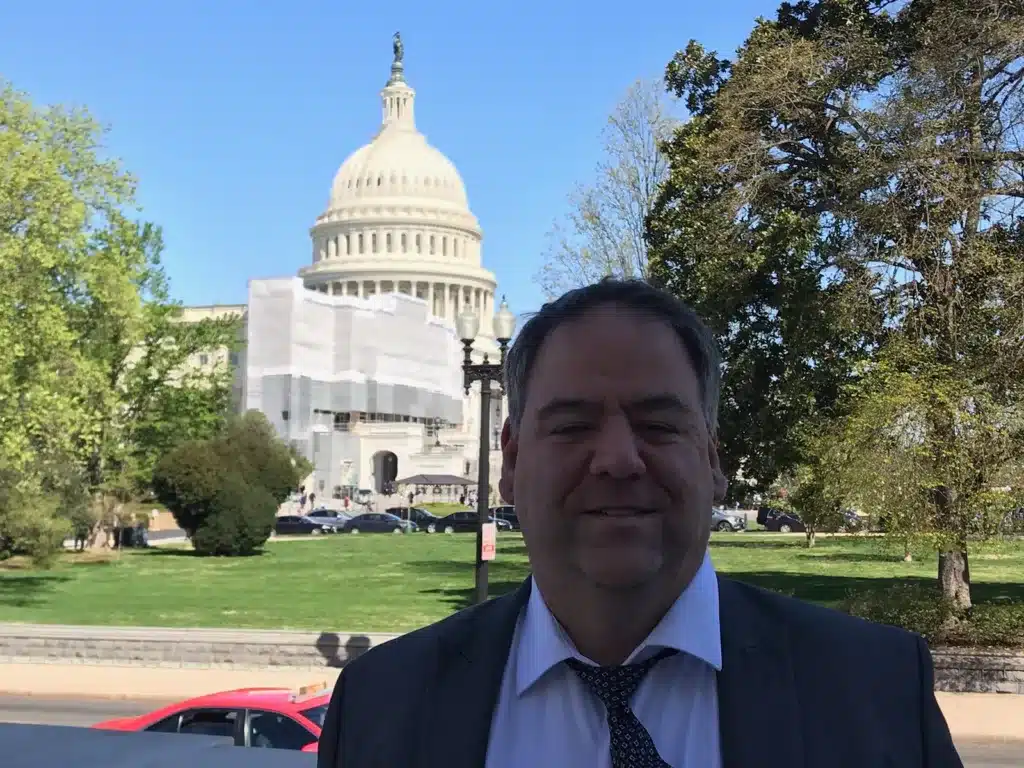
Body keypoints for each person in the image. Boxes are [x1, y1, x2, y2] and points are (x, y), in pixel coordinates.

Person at [318, 279, 963, 768]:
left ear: (713, 461)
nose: (619, 460)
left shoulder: (875, 693)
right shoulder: (381, 708)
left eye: (659, 425)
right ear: (510, 463)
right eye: (572, 427)